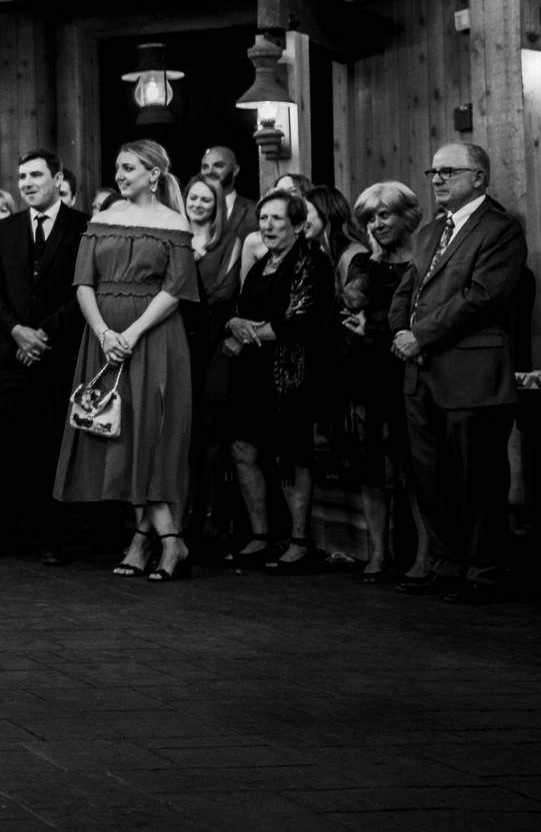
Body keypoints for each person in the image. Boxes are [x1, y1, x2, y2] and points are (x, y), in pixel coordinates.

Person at [52, 140, 199, 582]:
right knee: (123, 436)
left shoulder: (174, 223)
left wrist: (132, 334)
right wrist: (103, 333)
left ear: (154, 174)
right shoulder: (102, 218)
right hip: (103, 338)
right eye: (118, 167)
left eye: (130, 167)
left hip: (153, 339)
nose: (120, 174)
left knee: (152, 435)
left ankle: (151, 540)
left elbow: (176, 290)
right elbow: (82, 284)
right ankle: (163, 538)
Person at [387, 143, 528, 603]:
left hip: (472, 373)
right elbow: (407, 289)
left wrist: (420, 336)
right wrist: (398, 331)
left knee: (478, 479)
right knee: (432, 477)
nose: (436, 179)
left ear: (479, 178)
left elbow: (482, 296)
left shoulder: (500, 230)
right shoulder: (430, 232)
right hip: (421, 373)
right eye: (433, 171)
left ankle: (484, 571)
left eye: (449, 171)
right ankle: (447, 565)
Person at [0, 149, 89, 563]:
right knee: (1, 445)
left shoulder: (83, 226)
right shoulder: (4, 229)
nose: (27, 183)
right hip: (10, 350)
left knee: (51, 446)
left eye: (36, 175)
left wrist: (44, 334)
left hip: (57, 354)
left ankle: (51, 538)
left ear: (57, 179)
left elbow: (84, 292)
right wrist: (18, 332)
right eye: (22, 176)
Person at [221, 190, 335, 573]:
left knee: (290, 456)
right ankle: (260, 535)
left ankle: (300, 539)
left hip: (291, 373)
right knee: (243, 448)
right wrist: (234, 324)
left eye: (277, 219)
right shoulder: (262, 263)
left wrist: (253, 333)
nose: (266, 226)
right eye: (263, 218)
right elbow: (240, 308)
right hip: (251, 373)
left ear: (299, 225)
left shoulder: (313, 263)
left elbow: (308, 319)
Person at [345, 181, 427, 583]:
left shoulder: (427, 259)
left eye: (384, 215)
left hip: (412, 371)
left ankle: (425, 555)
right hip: (369, 374)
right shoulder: (365, 264)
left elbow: (418, 317)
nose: (376, 224)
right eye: (369, 218)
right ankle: (377, 553)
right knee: (370, 466)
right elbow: (350, 307)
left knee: (415, 466)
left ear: (406, 217)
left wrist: (373, 324)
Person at [182, 174, 243, 545]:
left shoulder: (230, 242)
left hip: (214, 344)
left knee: (211, 433)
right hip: (179, 343)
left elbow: (224, 292)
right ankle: (182, 512)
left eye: (207, 199)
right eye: (193, 197)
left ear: (217, 205)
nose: (199, 204)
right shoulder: (173, 240)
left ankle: (209, 517)